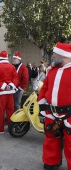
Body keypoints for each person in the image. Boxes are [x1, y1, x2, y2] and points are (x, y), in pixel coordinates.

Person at [38, 42, 71, 170]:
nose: (53, 56)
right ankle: (51, 162)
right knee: (51, 140)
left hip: (70, 115)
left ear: (63, 55)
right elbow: (44, 87)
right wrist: (42, 103)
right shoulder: (52, 71)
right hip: (51, 113)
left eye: (54, 54)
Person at [0, 50, 19, 134]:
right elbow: (16, 78)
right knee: (10, 110)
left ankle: (0, 129)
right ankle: (11, 128)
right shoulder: (12, 66)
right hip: (10, 92)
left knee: (0, 111)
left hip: (1, 92)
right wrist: (10, 86)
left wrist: (3, 86)